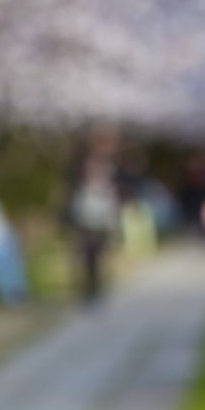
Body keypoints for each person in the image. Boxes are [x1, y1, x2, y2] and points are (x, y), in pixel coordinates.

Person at [65, 125, 127, 304]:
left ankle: (96, 285)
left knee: (99, 252)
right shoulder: (82, 162)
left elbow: (119, 187)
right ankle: (88, 288)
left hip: (104, 213)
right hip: (85, 212)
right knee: (87, 252)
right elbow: (72, 185)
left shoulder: (112, 163)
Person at [0, 193, 28, 305]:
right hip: (2, 239)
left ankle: (16, 299)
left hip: (2, 239)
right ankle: (15, 299)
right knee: (10, 273)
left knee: (10, 275)